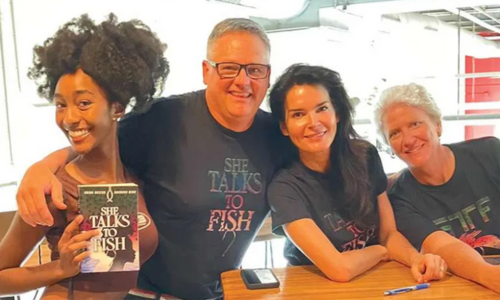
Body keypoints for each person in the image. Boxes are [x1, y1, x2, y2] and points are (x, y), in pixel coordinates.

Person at [14, 18, 277, 300]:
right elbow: (94, 140)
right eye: (228, 68)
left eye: (255, 70)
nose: (243, 80)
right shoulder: (162, 119)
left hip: (218, 294)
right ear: (206, 71)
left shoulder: (277, 136)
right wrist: (41, 167)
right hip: (143, 294)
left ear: (267, 74)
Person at [0, 13, 168, 299]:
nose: (69, 118)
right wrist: (60, 268)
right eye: (60, 105)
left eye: (84, 103)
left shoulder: (133, 177)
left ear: (117, 108)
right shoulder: (53, 191)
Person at [267, 64, 446, 283]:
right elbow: (339, 269)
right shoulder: (284, 189)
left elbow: (388, 234)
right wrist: (382, 252)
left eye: (322, 108)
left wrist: (416, 259)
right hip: (313, 288)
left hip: (371, 278)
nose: (313, 123)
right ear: (284, 127)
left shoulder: (365, 155)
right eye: (298, 114)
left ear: (338, 113)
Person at [374, 82, 500, 293]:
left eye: (415, 124)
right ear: (389, 147)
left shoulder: (489, 153)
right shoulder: (398, 199)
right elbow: (442, 246)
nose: (408, 140)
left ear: (438, 124)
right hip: (467, 284)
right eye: (394, 133)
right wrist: (491, 277)